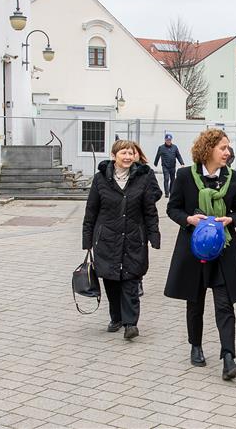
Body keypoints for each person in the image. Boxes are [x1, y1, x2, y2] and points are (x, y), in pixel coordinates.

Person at [164, 129, 236, 380]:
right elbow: (172, 208)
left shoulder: (232, 177)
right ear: (208, 149)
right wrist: (188, 219)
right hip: (194, 250)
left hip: (224, 251)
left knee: (225, 304)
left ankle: (229, 357)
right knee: (195, 301)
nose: (227, 152)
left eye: (228, 148)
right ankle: (196, 345)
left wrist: (230, 220)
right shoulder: (185, 176)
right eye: (222, 147)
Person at [82, 139, 161, 340]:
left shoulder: (142, 178)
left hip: (134, 237)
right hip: (107, 238)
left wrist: (154, 235)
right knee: (111, 281)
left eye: (130, 153)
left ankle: (130, 324)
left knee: (131, 280)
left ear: (135, 156)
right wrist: (87, 239)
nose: (127, 157)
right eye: (123, 153)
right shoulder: (100, 179)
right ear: (114, 155)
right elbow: (91, 210)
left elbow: (150, 210)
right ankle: (116, 317)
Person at [131, 142, 162, 297]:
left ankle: (138, 281)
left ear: (139, 154)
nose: (130, 156)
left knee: (138, 255)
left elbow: (157, 192)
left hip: (139, 221)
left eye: (133, 152)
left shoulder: (146, 172)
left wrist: (145, 199)